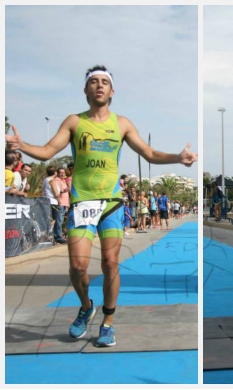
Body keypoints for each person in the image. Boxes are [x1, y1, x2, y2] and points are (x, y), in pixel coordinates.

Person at [5, 65, 197, 348]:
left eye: (104, 82)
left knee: (110, 265)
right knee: (77, 267)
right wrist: (24, 145)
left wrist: (177, 158)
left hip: (112, 203)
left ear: (112, 91)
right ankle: (86, 306)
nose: (99, 86)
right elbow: (47, 151)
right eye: (93, 82)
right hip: (82, 202)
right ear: (85, 90)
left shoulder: (122, 124)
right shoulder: (74, 122)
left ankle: (108, 322)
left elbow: (149, 152)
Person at [42, 166, 67, 244]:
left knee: (51, 220)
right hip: (53, 202)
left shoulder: (46, 180)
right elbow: (55, 192)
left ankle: (51, 236)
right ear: (55, 172)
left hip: (47, 201)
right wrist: (59, 200)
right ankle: (56, 237)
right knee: (55, 220)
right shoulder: (52, 181)